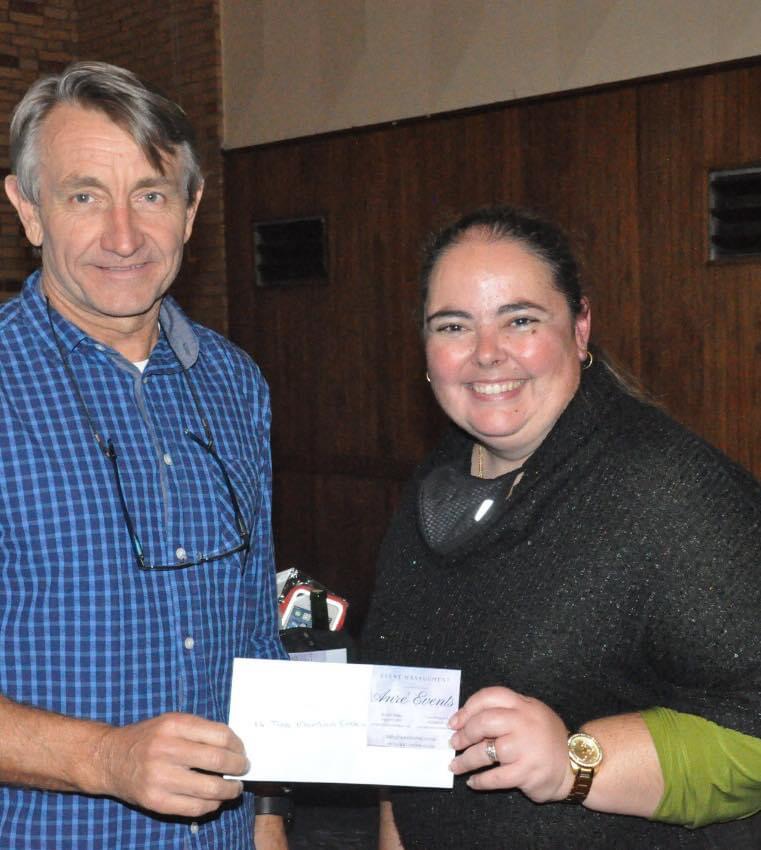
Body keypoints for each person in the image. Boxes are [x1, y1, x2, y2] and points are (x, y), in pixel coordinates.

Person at [362, 205, 761, 849]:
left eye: (520, 320)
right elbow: (404, 719)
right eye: (454, 326)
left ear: (580, 328)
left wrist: (578, 762)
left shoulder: (664, 488)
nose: (486, 353)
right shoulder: (436, 483)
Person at [0, 61, 288, 849]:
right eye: (84, 196)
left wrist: (268, 818)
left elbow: (254, 636)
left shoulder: (236, 383)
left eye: (151, 195)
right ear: (28, 210)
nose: (124, 236)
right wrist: (103, 758)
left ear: (190, 210)